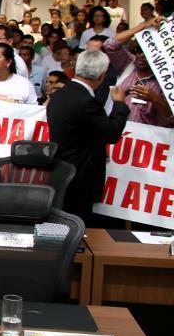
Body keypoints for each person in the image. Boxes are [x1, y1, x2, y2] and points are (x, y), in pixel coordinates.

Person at [46, 49, 130, 224]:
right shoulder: (86, 101)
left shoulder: (60, 94)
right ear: (102, 75)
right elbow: (111, 133)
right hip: (80, 175)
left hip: (61, 169)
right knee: (75, 226)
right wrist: (120, 105)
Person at [103, 17, 173, 126]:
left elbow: (171, 118)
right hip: (117, 137)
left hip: (145, 140)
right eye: (139, 50)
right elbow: (110, 45)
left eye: (147, 54)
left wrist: (155, 99)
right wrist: (144, 25)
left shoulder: (166, 79)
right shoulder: (128, 63)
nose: (141, 56)